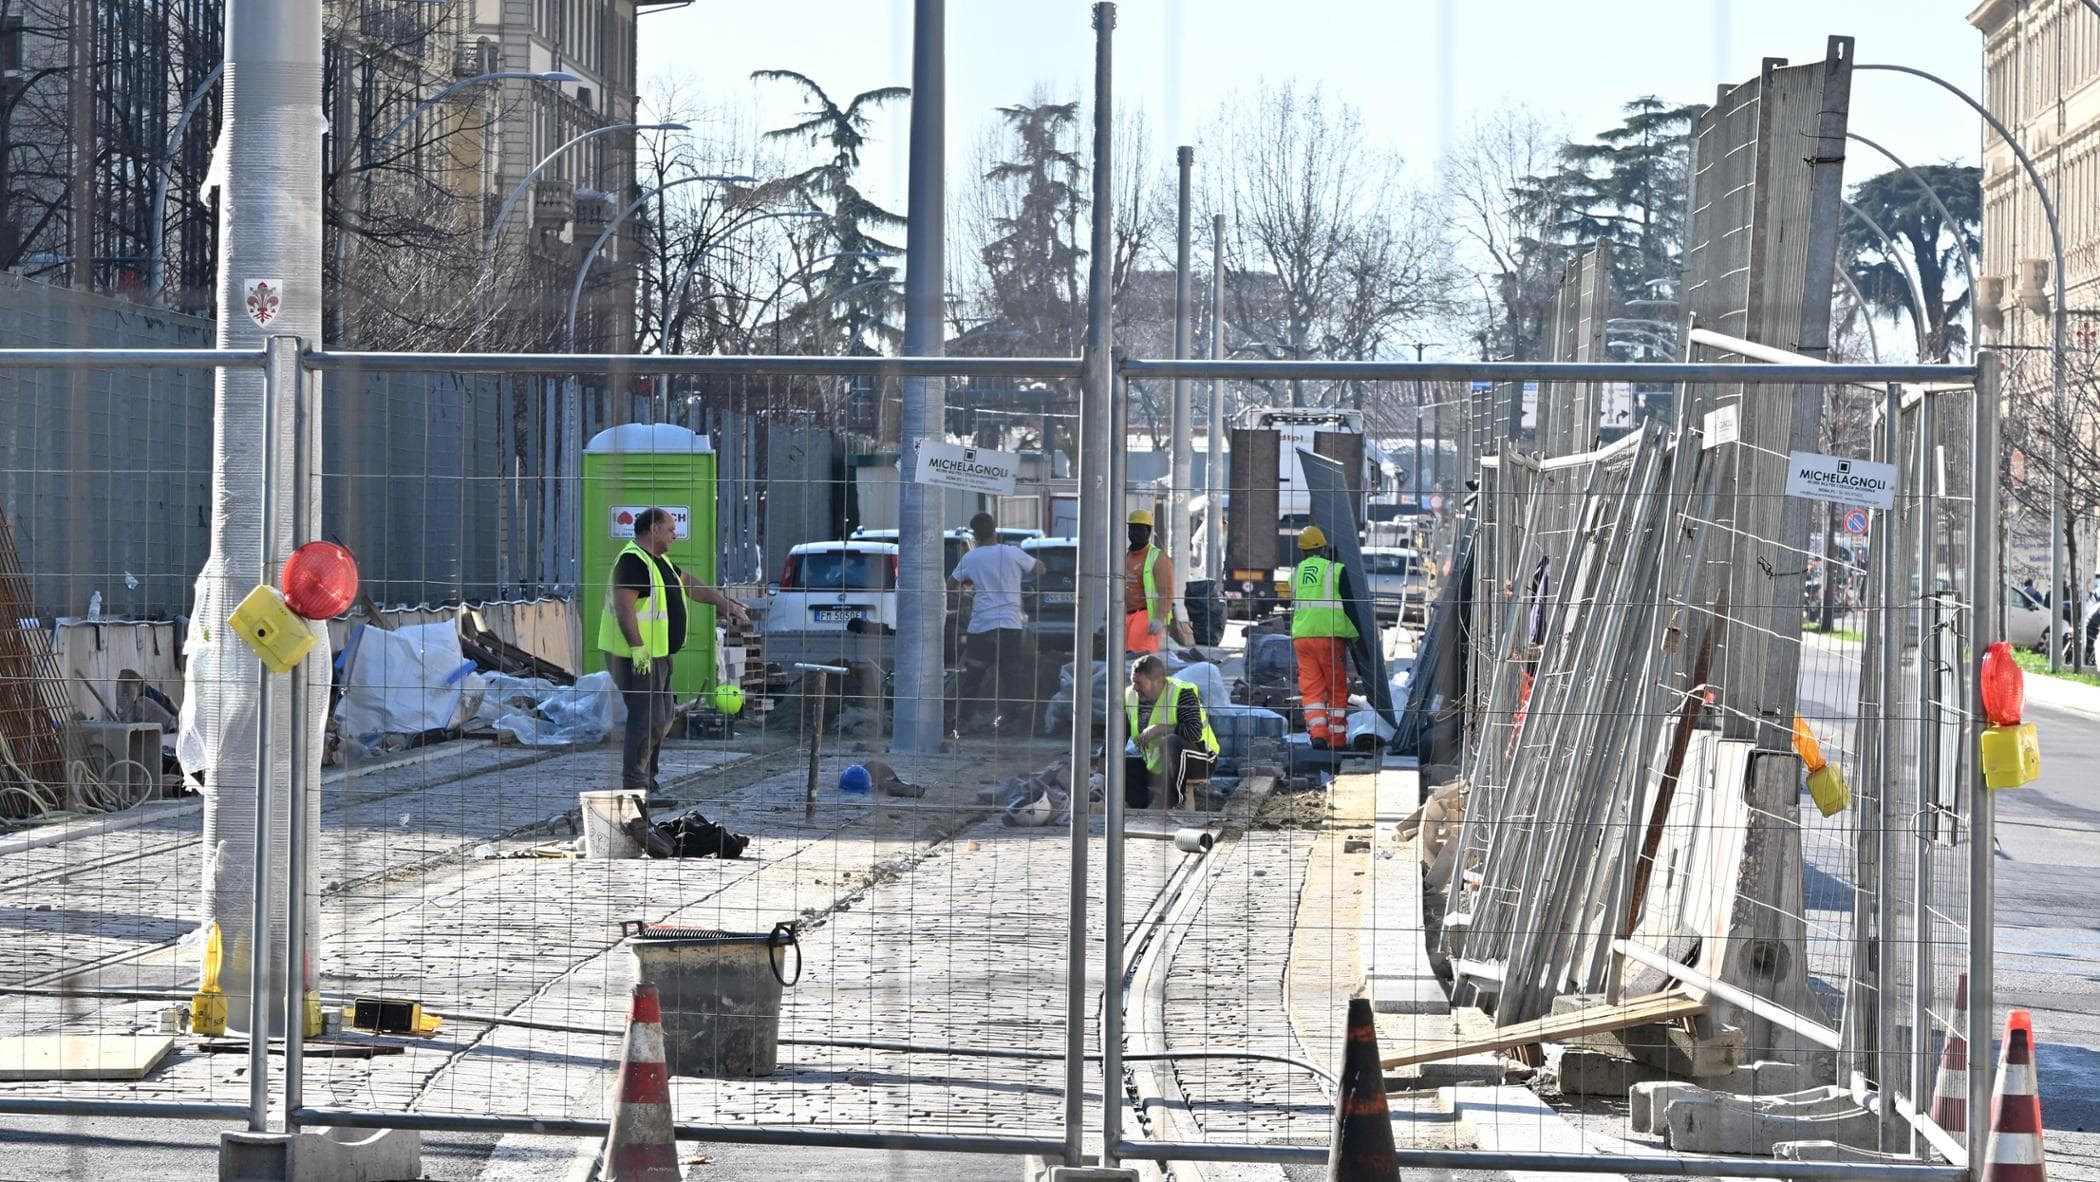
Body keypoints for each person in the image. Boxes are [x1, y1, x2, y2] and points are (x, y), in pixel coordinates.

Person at [598, 507, 750, 791]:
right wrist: (637, 648)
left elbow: (688, 583)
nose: (674, 535)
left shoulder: (659, 561)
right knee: (647, 718)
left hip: (660, 654)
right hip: (636, 656)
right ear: (653, 530)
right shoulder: (632, 561)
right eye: (670, 529)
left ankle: (647, 780)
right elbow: (623, 607)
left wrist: (723, 603)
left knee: (663, 716)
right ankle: (636, 784)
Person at [951, 511, 1044, 736]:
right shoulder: (1012, 553)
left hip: (981, 626)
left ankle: (964, 721)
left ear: (975, 534)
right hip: (1011, 626)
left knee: (973, 677)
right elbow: (1040, 567)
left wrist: (967, 597)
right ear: (994, 529)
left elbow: (951, 584)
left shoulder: (971, 558)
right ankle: (1010, 721)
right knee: (1011, 676)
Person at [1290, 524, 1358, 749]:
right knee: (1336, 686)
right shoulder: (1335, 570)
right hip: (1328, 636)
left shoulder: (1296, 572)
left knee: (1311, 688)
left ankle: (1318, 735)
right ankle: (1337, 739)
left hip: (1302, 637)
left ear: (1302, 551)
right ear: (1324, 548)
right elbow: (1351, 606)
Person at [1123, 654, 1219, 810]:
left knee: (1171, 742)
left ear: (1158, 680)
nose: (1135, 688)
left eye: (1139, 683)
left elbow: (1194, 732)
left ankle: (1175, 803)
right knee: (1120, 767)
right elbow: (1116, 735)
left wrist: (1159, 728)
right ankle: (1148, 807)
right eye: (1133, 682)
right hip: (1159, 765)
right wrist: (1101, 774)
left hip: (1201, 758)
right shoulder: (1130, 696)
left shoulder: (1181, 693)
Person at [1125, 508, 1175, 654]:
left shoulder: (1158, 558)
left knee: (1142, 661)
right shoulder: (1126, 556)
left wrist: (1159, 619)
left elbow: (1166, 592)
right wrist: (1106, 617)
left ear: (1148, 532)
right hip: (1125, 618)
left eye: (1140, 529)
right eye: (1132, 529)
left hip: (1146, 619)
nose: (1135, 533)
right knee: (1125, 663)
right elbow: (1115, 589)